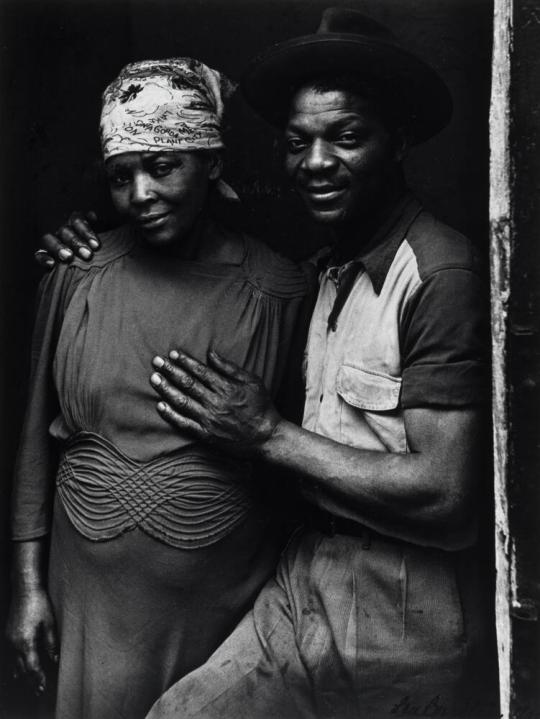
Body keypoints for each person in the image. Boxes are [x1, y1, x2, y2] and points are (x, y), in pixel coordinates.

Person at [7, 57, 312, 719]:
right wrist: (26, 586)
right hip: (83, 608)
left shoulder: (282, 293)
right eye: (122, 176)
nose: (140, 193)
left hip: (221, 613)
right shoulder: (76, 277)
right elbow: (32, 439)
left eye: (163, 166)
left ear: (212, 163)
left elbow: (300, 467)